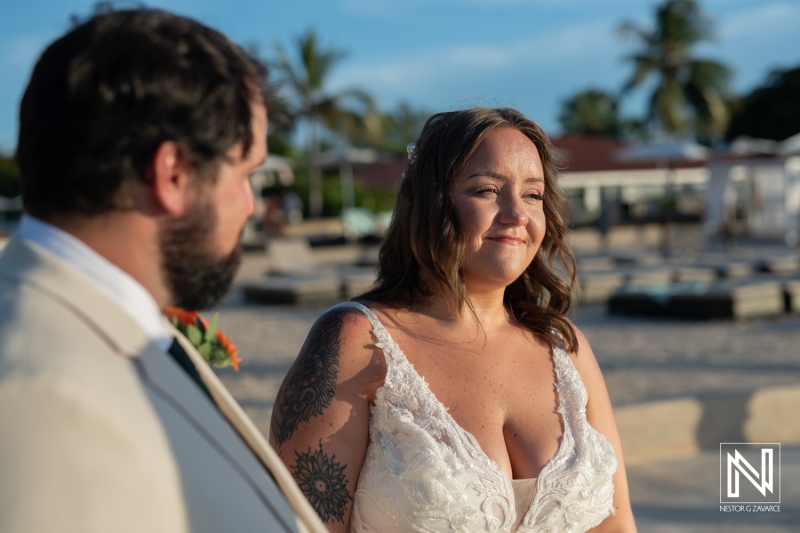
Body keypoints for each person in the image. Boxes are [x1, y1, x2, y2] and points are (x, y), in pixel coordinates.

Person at [0, 7, 325, 533]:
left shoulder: (119, 329)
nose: (249, 203)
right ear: (172, 174)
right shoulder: (39, 398)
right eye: (246, 171)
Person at [270, 108, 637, 532]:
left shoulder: (565, 348)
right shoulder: (356, 340)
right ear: (430, 201)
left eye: (533, 194)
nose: (517, 213)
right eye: (486, 190)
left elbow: (618, 524)